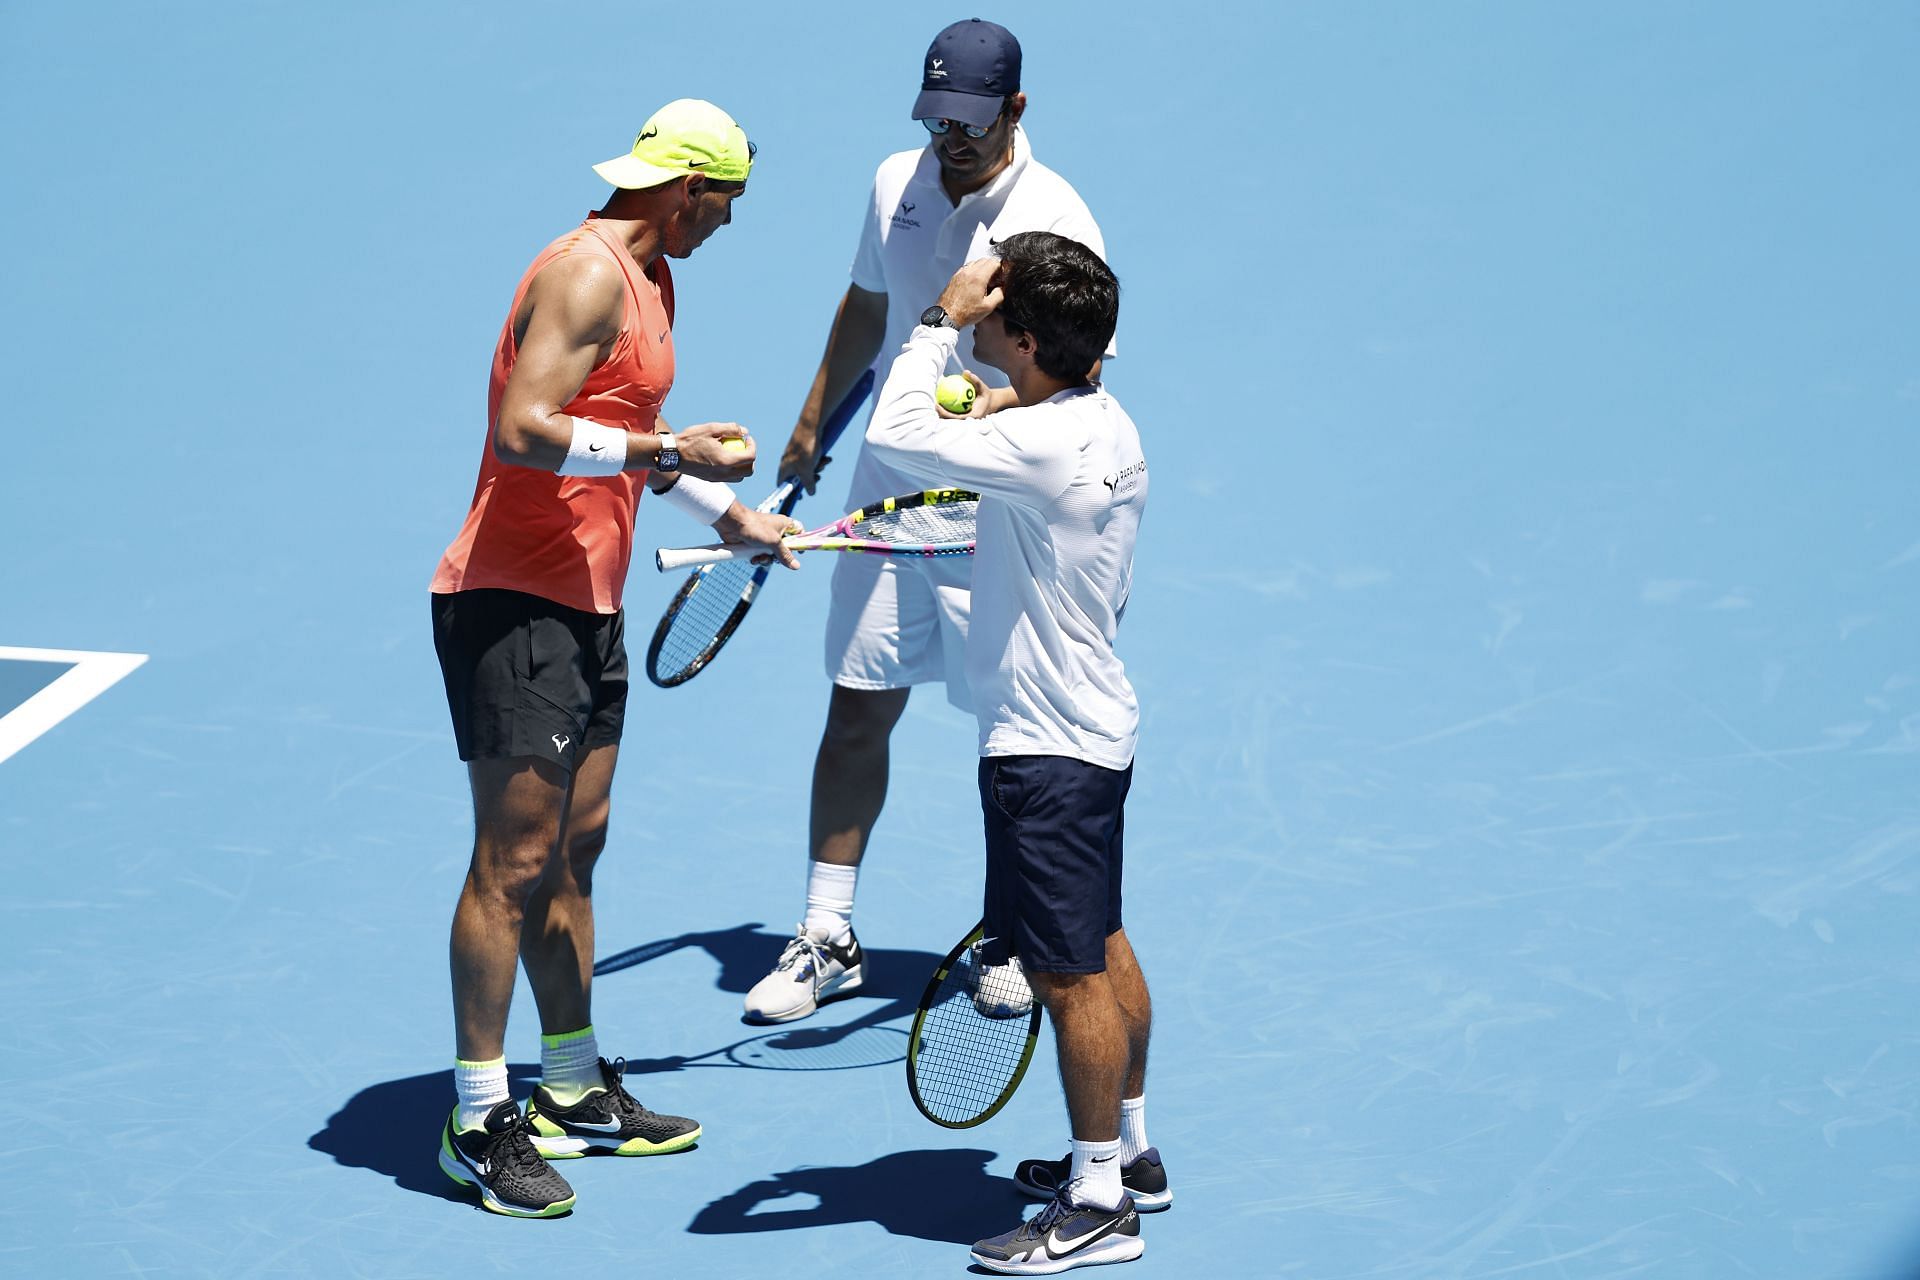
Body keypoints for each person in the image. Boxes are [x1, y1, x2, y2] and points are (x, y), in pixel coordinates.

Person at [427, 99, 797, 1218]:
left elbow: (622, 430)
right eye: (726, 204)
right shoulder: (587, 276)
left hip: (589, 601)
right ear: (688, 188)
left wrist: (725, 510)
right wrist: (666, 446)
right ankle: (478, 1115)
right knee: (513, 857)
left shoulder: (655, 280)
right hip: (511, 603)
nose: (728, 226)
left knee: (575, 848)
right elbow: (526, 428)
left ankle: (573, 1085)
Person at [746, 17, 1118, 1028]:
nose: (951, 138)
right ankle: (828, 932)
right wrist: (813, 421)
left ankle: (1005, 935)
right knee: (858, 699)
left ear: (1017, 109)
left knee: (1013, 730)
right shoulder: (892, 183)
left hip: (992, 500)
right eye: (937, 116)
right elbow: (868, 305)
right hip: (885, 481)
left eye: (971, 120)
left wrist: (986, 411)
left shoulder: (1054, 215)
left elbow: (1083, 370)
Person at [863, 235, 1157, 1272]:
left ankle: (1095, 1202)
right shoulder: (1102, 422)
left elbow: (896, 430)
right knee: (1106, 940)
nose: (981, 318)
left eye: (996, 313)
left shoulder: (1037, 445)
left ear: (1026, 341)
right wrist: (1002, 404)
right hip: (1097, 732)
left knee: (1068, 974)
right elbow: (1029, 430)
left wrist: (939, 322)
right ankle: (1132, 1150)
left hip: (1044, 749)